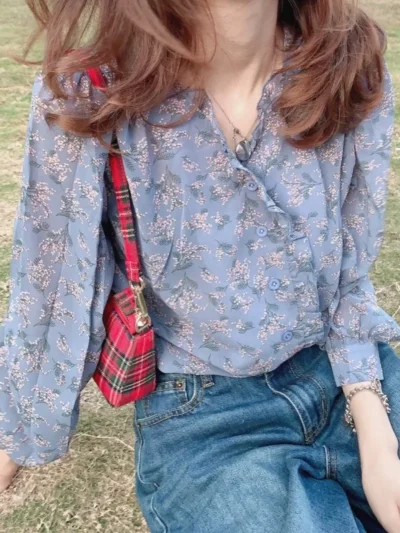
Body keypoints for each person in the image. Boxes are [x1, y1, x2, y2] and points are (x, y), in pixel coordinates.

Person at [1, 0, 400, 530]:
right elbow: (53, 290)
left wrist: (372, 423)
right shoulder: (90, 96)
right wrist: (16, 435)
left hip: (340, 370)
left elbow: (350, 275)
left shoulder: (348, 68)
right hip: (203, 414)